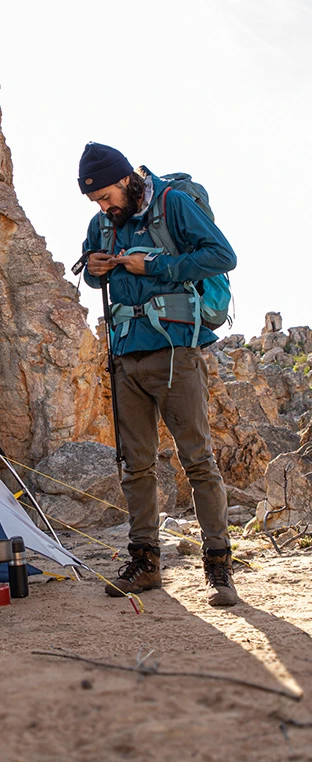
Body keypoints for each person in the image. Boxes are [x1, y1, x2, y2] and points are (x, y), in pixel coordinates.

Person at [77, 142, 238, 607]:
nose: (103, 208)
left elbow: (222, 255)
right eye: (95, 201)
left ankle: (219, 568)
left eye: (106, 197)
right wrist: (96, 268)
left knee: (198, 460)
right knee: (135, 464)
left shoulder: (174, 204)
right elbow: (93, 275)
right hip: (125, 352)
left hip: (175, 352)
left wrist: (156, 265)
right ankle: (145, 564)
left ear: (126, 179)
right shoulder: (102, 224)